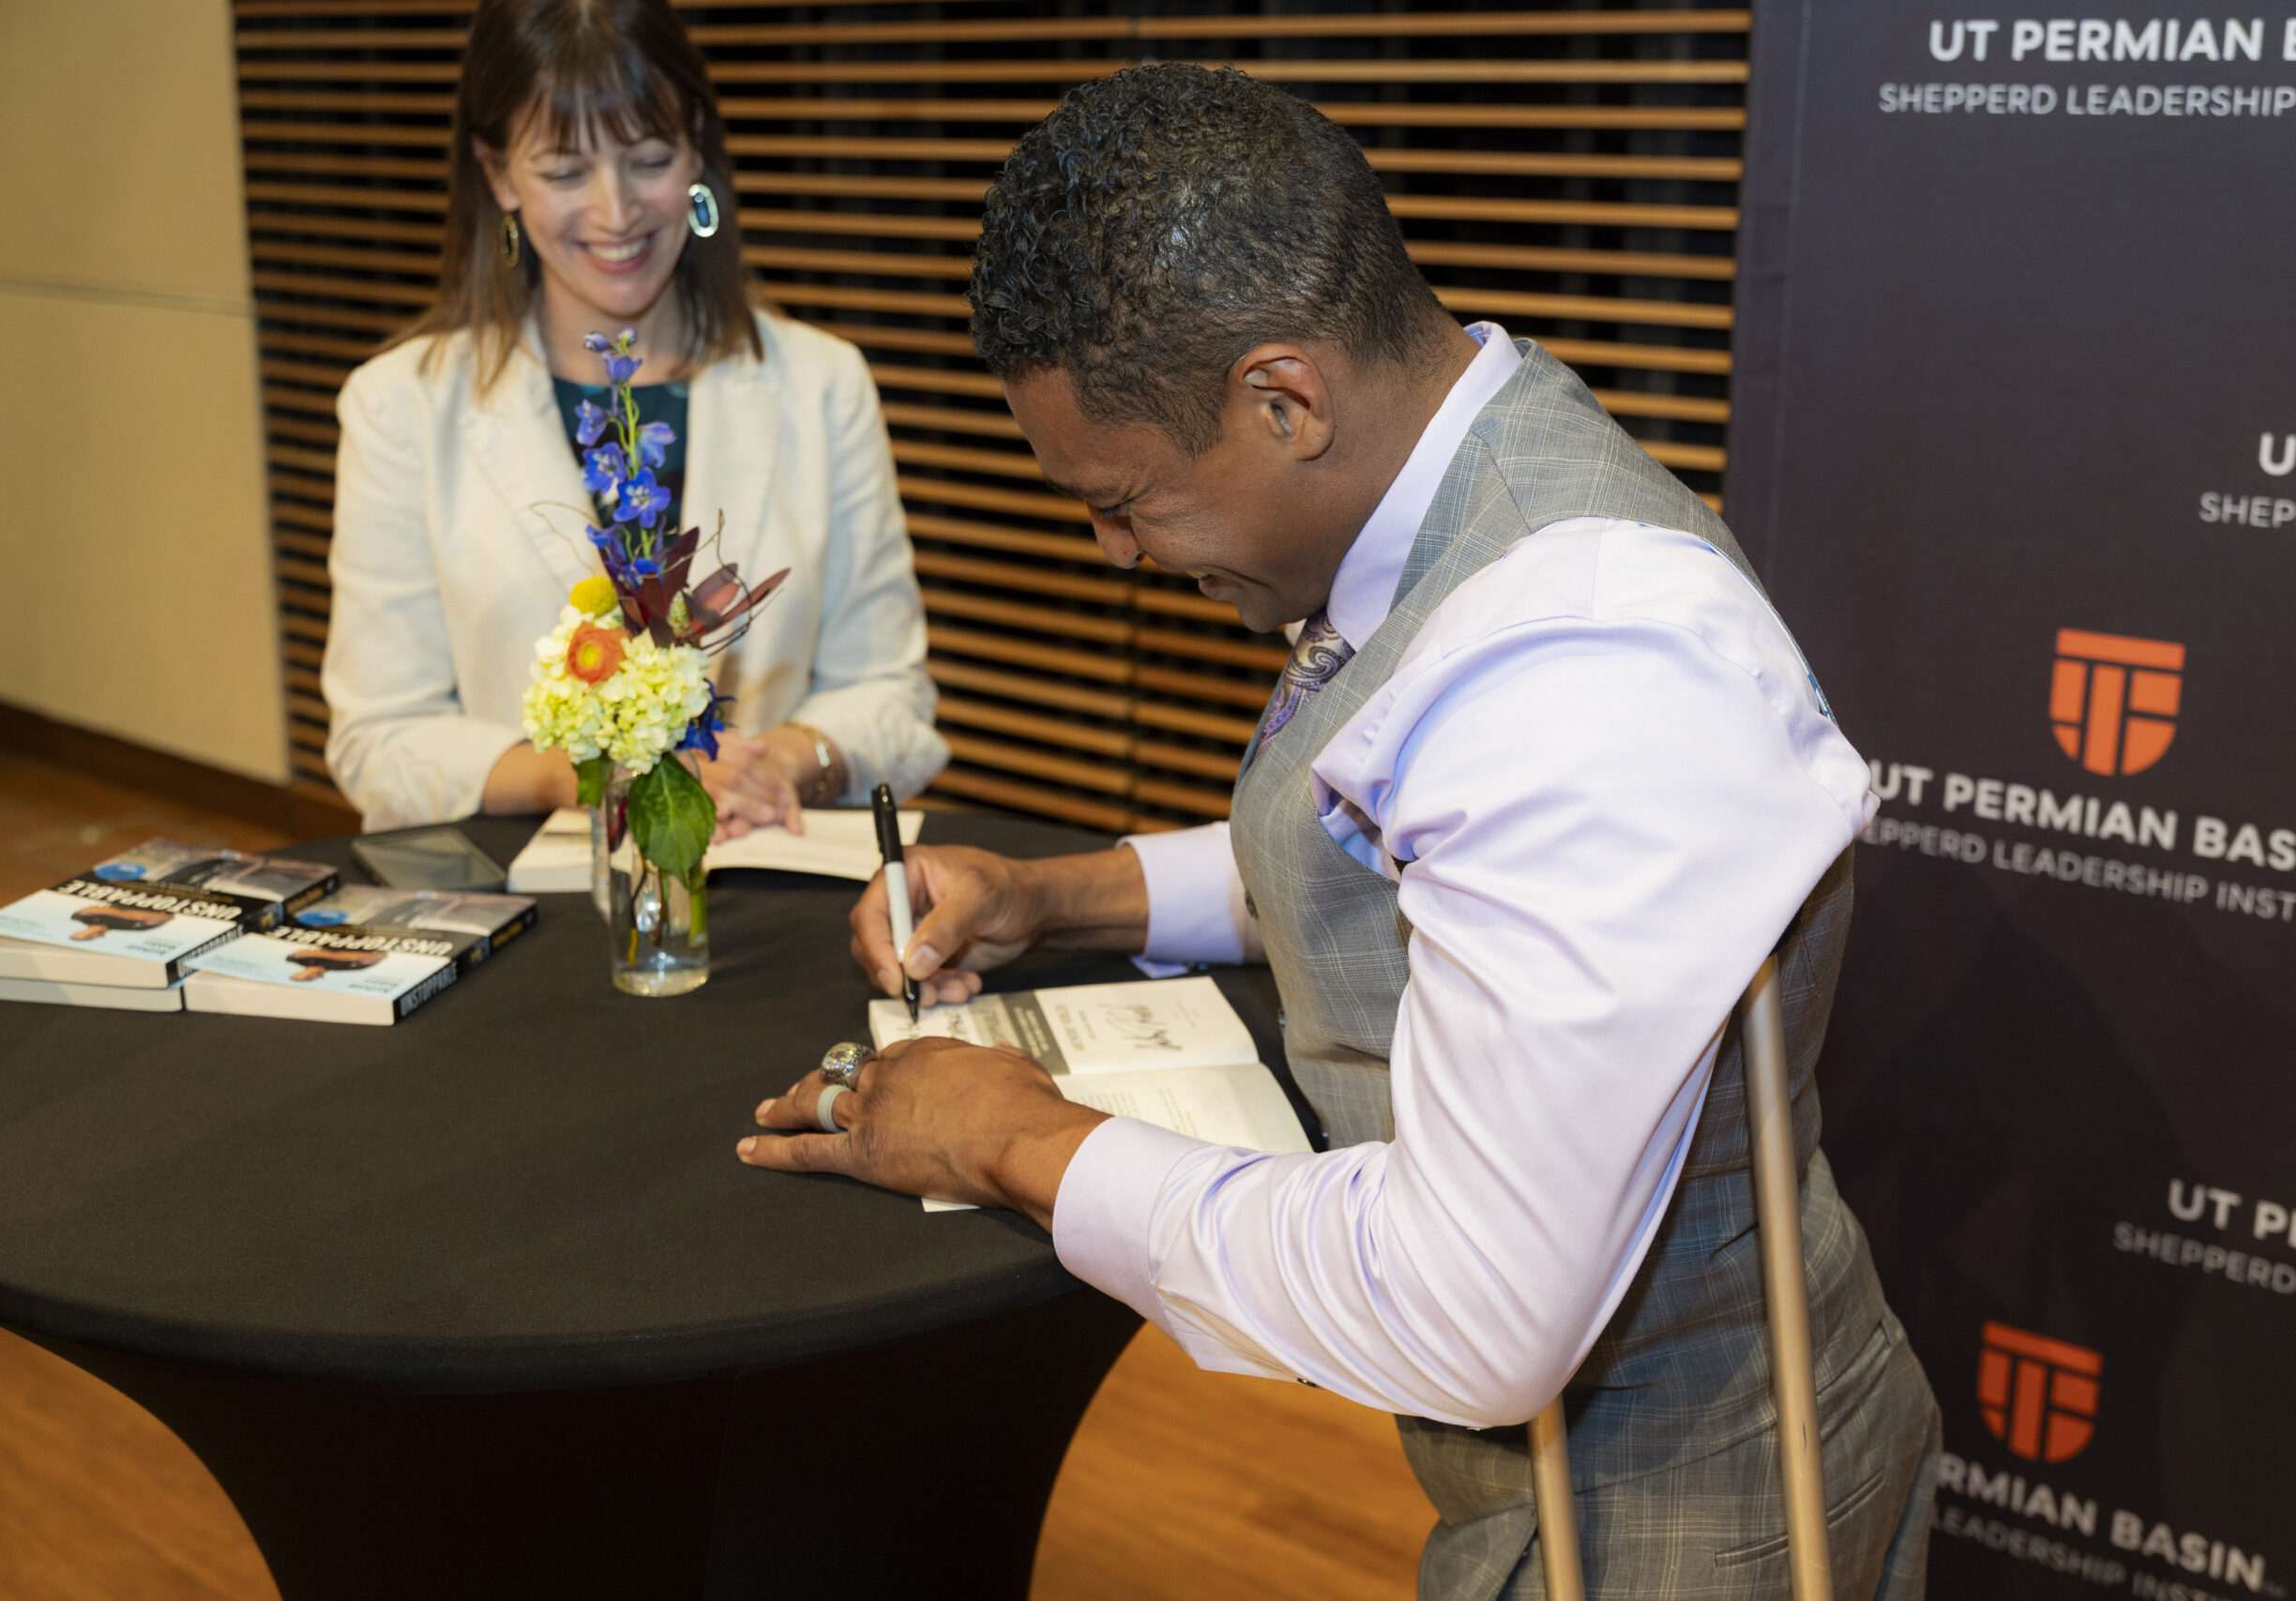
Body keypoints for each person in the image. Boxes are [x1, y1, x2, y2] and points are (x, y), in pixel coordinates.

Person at [738, 65, 1941, 1599]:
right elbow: (1413, 853)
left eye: (1125, 501)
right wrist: (1055, 895)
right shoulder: (1465, 481)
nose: (1114, 554)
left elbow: (1479, 1308)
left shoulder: (1582, 668)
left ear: (1281, 397)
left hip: (1682, 1506)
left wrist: (1015, 1137)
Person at [324, 0, 944, 836]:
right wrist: (589, 773)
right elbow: (379, 740)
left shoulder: (821, 385)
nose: (617, 214)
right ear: (499, 174)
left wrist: (777, 763)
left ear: (695, 149)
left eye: (648, 159)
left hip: (766, 867)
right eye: (565, 172)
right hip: (531, 902)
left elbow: (893, 698)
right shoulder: (400, 407)